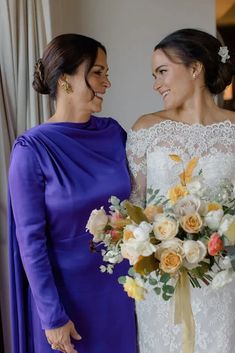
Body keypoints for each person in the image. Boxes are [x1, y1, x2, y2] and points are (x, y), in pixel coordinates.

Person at [9, 33, 137, 353]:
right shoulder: (31, 149)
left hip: (121, 293)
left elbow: (139, 204)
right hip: (66, 302)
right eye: (97, 72)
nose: (107, 83)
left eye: (106, 73)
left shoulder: (113, 134)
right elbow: (30, 242)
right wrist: (52, 317)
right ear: (65, 79)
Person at [127, 28, 235, 353]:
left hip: (220, 279)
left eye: (162, 71)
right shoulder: (146, 129)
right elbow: (135, 208)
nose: (156, 84)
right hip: (161, 281)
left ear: (194, 67)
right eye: (154, 74)